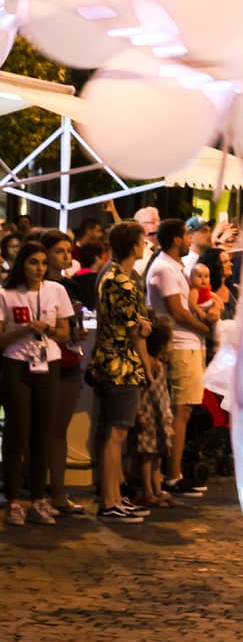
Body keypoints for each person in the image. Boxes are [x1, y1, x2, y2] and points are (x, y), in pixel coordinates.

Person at [0, 238, 74, 525]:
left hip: (48, 362)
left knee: (42, 433)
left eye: (43, 263)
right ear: (22, 264)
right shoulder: (6, 294)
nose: (40, 268)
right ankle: (15, 500)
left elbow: (65, 333)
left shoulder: (56, 290)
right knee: (18, 432)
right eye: (33, 262)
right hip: (16, 363)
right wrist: (24, 330)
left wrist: (50, 329)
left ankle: (39, 500)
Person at [91, 221, 155, 522]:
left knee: (113, 432)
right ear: (133, 246)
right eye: (142, 242)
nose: (145, 246)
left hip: (110, 360)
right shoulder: (123, 281)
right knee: (115, 433)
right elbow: (134, 330)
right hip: (120, 363)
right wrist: (147, 365)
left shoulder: (112, 275)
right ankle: (109, 500)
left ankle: (114, 495)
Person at [146, 218, 212, 496]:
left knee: (183, 411)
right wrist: (207, 329)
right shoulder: (164, 268)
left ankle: (174, 472)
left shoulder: (175, 267)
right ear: (176, 239)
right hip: (180, 344)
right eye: (186, 235)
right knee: (179, 413)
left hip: (189, 344)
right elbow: (177, 311)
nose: (189, 239)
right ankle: (173, 474)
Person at [39, 228, 87, 515]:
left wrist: (76, 332)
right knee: (39, 428)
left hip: (69, 360)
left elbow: (75, 325)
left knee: (59, 428)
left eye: (68, 250)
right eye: (59, 250)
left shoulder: (72, 286)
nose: (66, 256)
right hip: (41, 362)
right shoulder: (35, 287)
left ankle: (57, 491)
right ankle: (34, 491)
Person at [135, 319, 176, 508]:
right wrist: (139, 413)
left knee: (158, 454)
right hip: (149, 414)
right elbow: (139, 392)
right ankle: (147, 491)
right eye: (171, 341)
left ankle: (157, 488)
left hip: (160, 415)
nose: (172, 345)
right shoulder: (149, 365)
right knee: (147, 454)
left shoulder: (161, 363)